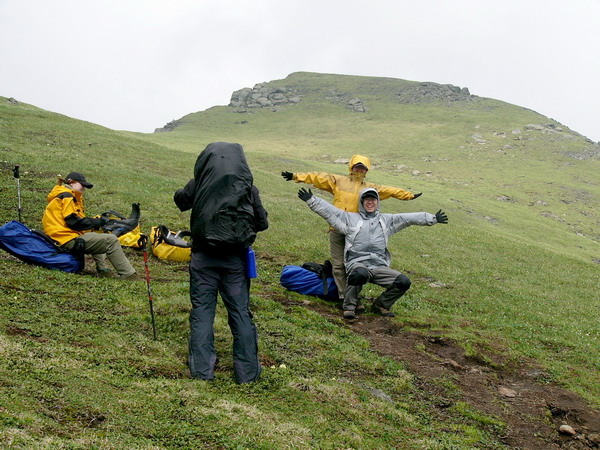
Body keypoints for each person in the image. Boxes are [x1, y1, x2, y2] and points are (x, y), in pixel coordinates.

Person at [174, 142, 268, 384]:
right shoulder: (248, 187)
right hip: (235, 260)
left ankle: (202, 373)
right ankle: (248, 375)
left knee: (202, 311)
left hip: (203, 257)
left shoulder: (200, 182)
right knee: (240, 313)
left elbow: (181, 201)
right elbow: (262, 223)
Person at [282, 155, 421, 305]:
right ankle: (343, 296)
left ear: (367, 170)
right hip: (336, 229)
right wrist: (296, 176)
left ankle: (353, 297)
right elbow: (318, 178)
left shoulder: (370, 188)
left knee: (354, 265)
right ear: (351, 167)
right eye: (357, 167)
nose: (359, 170)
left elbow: (390, 190)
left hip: (357, 232)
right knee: (338, 265)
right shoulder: (338, 181)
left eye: (363, 168)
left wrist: (408, 196)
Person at [297, 186, 447, 320]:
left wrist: (432, 218)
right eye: (367, 199)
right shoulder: (350, 218)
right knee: (359, 274)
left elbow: (408, 218)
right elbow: (330, 212)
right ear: (361, 202)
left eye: (373, 199)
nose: (370, 202)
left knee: (403, 282)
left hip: (379, 265)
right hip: (357, 263)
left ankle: (381, 305)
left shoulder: (386, 220)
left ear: (378, 202)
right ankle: (350, 307)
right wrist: (312, 200)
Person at [42, 171, 138, 279]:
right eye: (82, 185)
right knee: (111, 240)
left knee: (98, 235)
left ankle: (103, 270)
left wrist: (96, 223)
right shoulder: (67, 196)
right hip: (66, 239)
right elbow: (74, 222)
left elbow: (76, 221)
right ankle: (129, 275)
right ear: (71, 182)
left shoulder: (63, 195)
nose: (84, 188)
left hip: (63, 236)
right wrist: (98, 222)